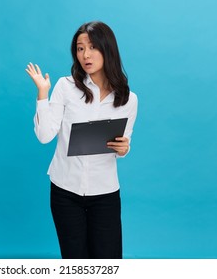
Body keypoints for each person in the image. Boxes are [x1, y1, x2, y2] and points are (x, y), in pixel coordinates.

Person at [25, 21, 138, 259]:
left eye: (93, 47)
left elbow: (123, 144)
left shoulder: (129, 99)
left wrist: (125, 147)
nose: (85, 55)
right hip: (65, 191)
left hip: (105, 192)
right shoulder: (65, 87)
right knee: (75, 262)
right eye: (79, 48)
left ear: (108, 50)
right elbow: (45, 136)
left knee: (109, 263)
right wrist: (42, 94)